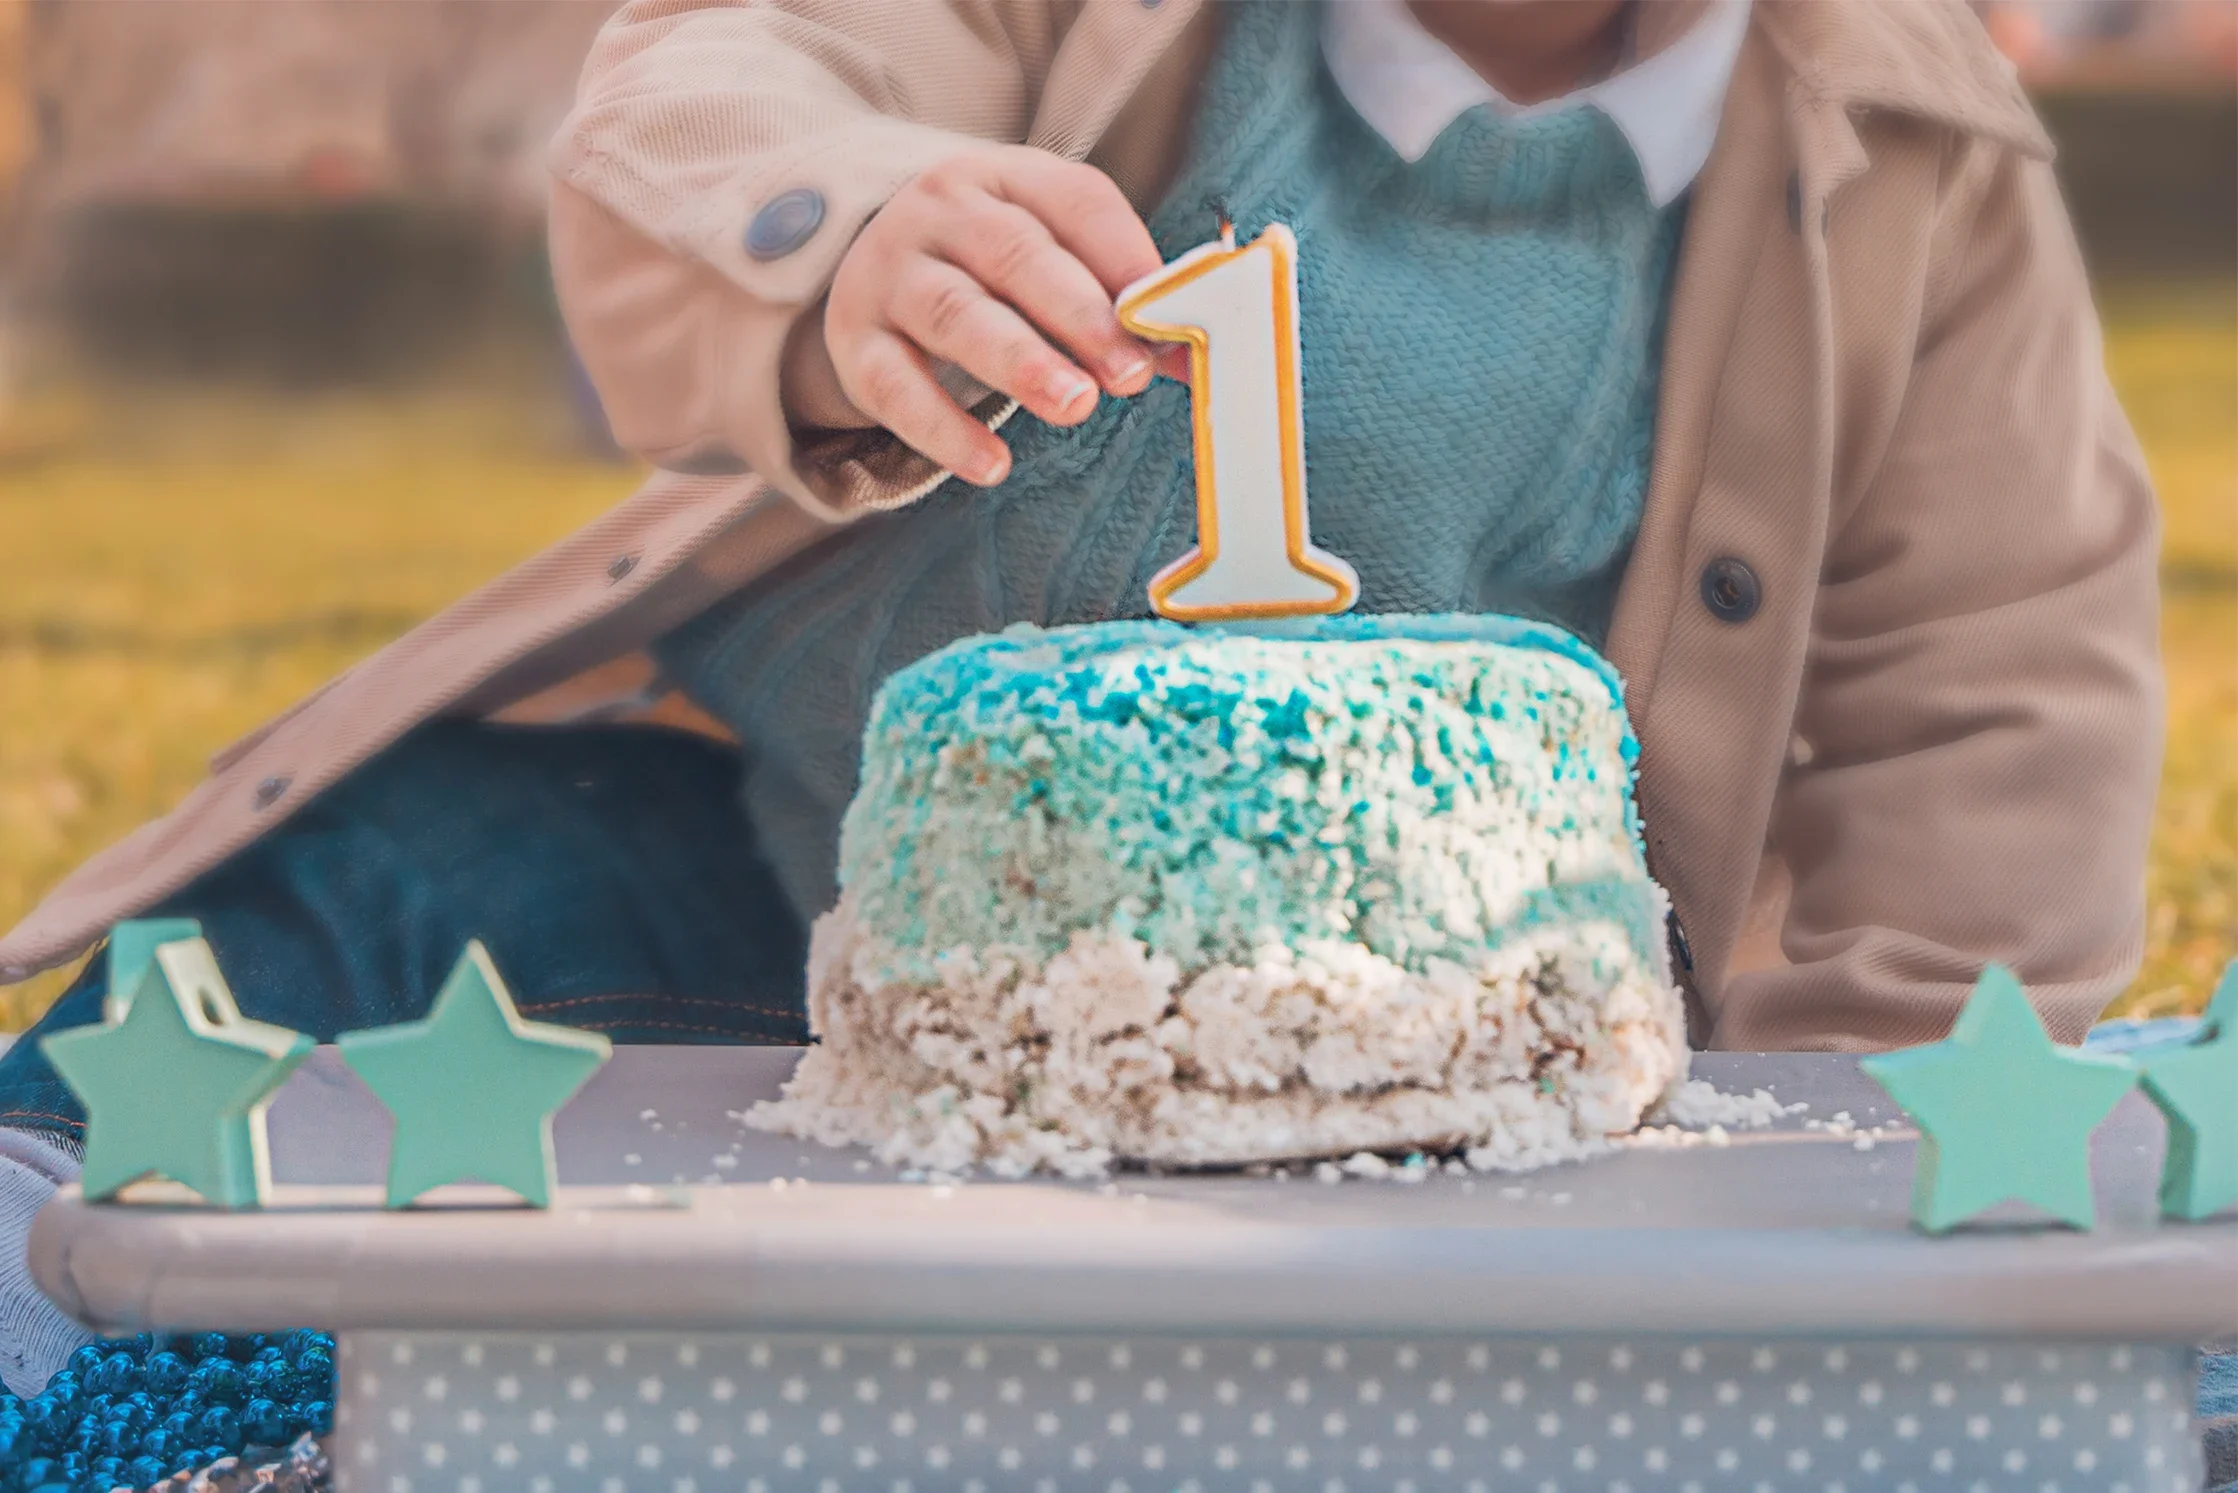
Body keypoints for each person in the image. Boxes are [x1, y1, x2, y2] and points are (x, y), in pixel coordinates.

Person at [0, 0, 2160, 1394]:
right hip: (771, 879)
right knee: (392, 874)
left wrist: (1864, 1209)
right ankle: (40, 1233)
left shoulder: (1918, 158)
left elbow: (1990, 688)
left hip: (1416, 1054)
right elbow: (713, 89)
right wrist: (847, 240)